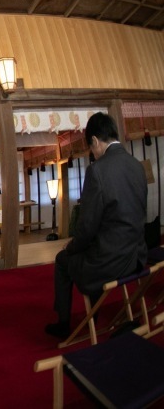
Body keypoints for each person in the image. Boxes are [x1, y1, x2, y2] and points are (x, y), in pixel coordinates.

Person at [45, 112, 148, 338]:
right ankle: (94, 312)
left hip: (111, 261)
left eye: (91, 148)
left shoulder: (98, 171)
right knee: (89, 250)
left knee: (63, 260)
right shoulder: (136, 166)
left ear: (94, 141)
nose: (93, 154)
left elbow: (87, 226)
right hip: (137, 256)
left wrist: (70, 247)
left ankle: (63, 324)